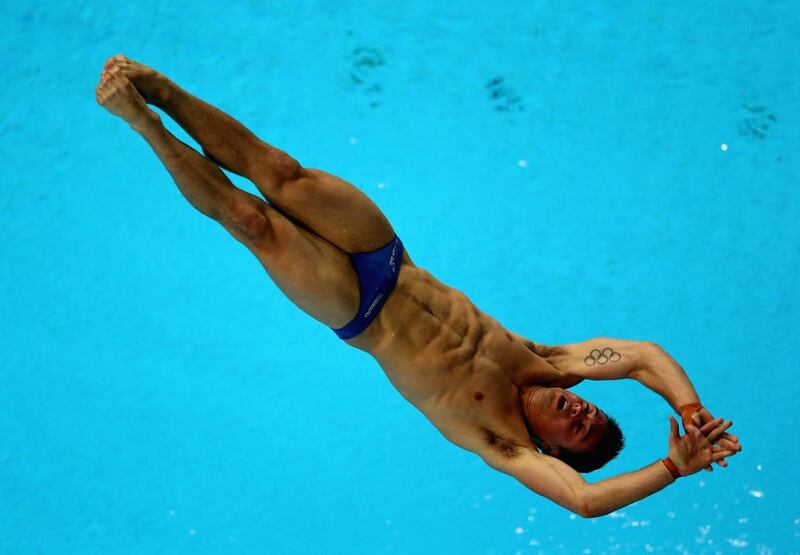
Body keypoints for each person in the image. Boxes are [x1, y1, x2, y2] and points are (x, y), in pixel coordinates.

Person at [96, 55, 741, 517]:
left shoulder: (502, 441)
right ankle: (161, 90)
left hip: (357, 311)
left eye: (576, 430)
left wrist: (672, 469)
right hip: (388, 257)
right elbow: (643, 356)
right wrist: (690, 411)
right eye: (592, 410)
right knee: (282, 173)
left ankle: (141, 122)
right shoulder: (553, 364)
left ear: (550, 448)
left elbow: (584, 500)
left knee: (252, 221)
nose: (579, 410)